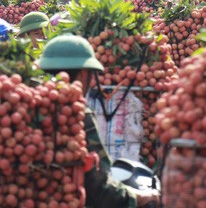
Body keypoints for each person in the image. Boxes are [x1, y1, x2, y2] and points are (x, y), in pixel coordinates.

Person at [37, 35, 161, 208]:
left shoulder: (26, 106)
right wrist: (135, 198)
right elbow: (98, 187)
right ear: (82, 74)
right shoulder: (76, 113)